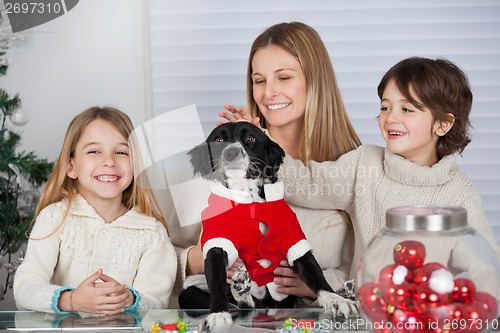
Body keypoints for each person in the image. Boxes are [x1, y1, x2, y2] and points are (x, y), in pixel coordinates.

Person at [278, 57, 500, 293]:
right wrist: (257, 143)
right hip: (364, 320)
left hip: (424, 322)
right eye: (385, 107)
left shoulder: (460, 195)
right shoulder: (365, 165)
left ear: (443, 124)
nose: (391, 118)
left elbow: (487, 271)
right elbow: (305, 184)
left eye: (407, 109)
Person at [178, 21, 361, 306]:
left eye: (284, 78)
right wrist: (197, 261)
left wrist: (314, 286)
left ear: (315, 81)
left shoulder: (353, 167)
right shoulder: (219, 160)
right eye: (259, 80)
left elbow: (363, 269)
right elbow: (162, 250)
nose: (268, 93)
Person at [14, 106, 177, 314]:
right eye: (94, 151)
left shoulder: (153, 234)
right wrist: (70, 300)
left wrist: (130, 299)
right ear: (71, 167)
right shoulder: (54, 219)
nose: (109, 161)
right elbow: (24, 288)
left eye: (121, 152)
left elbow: (157, 302)